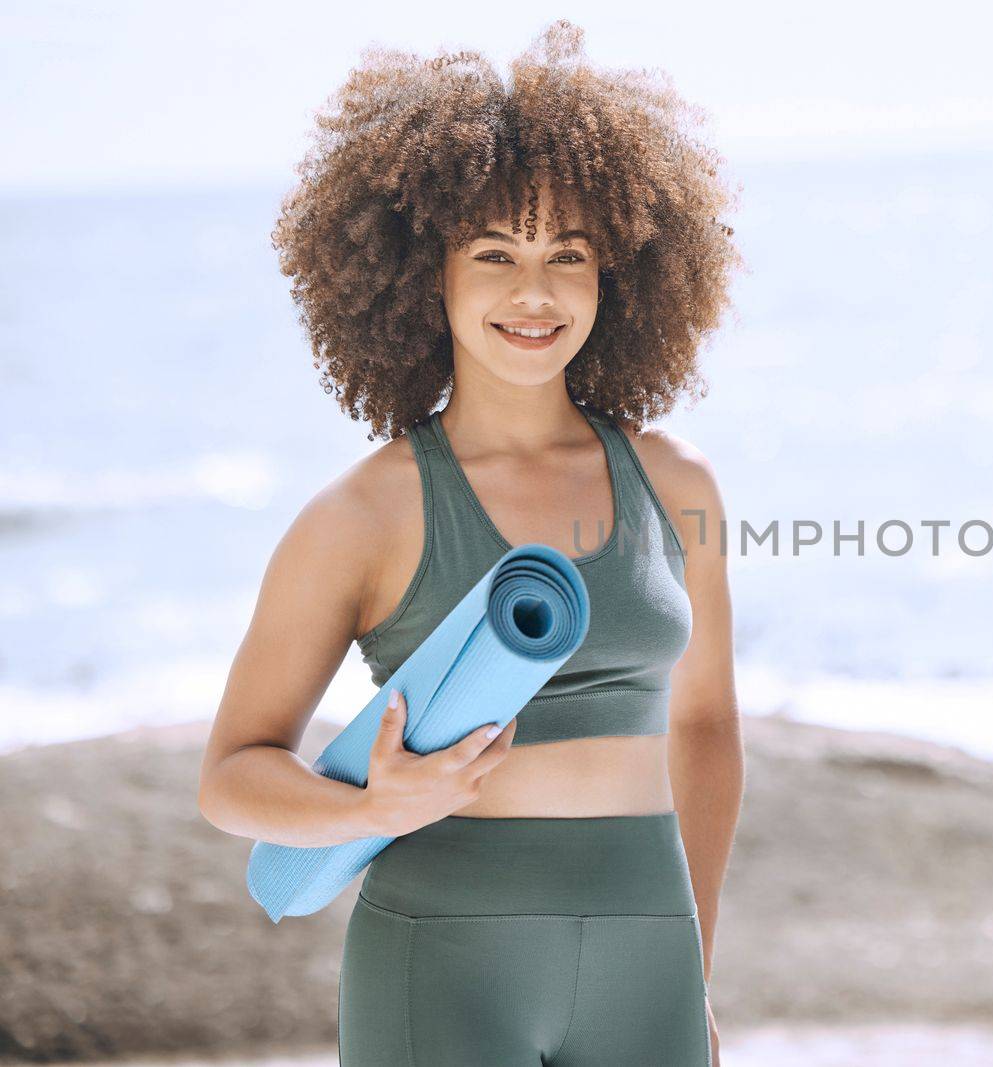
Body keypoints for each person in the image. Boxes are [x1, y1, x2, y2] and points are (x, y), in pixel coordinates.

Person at [197, 21, 745, 1066]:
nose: (533, 293)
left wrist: (696, 966)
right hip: (440, 956)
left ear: (615, 275)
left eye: (566, 256)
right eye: (493, 254)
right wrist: (374, 800)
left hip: (650, 955)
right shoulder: (365, 513)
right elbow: (230, 774)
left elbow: (708, 725)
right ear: (425, 278)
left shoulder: (676, 484)